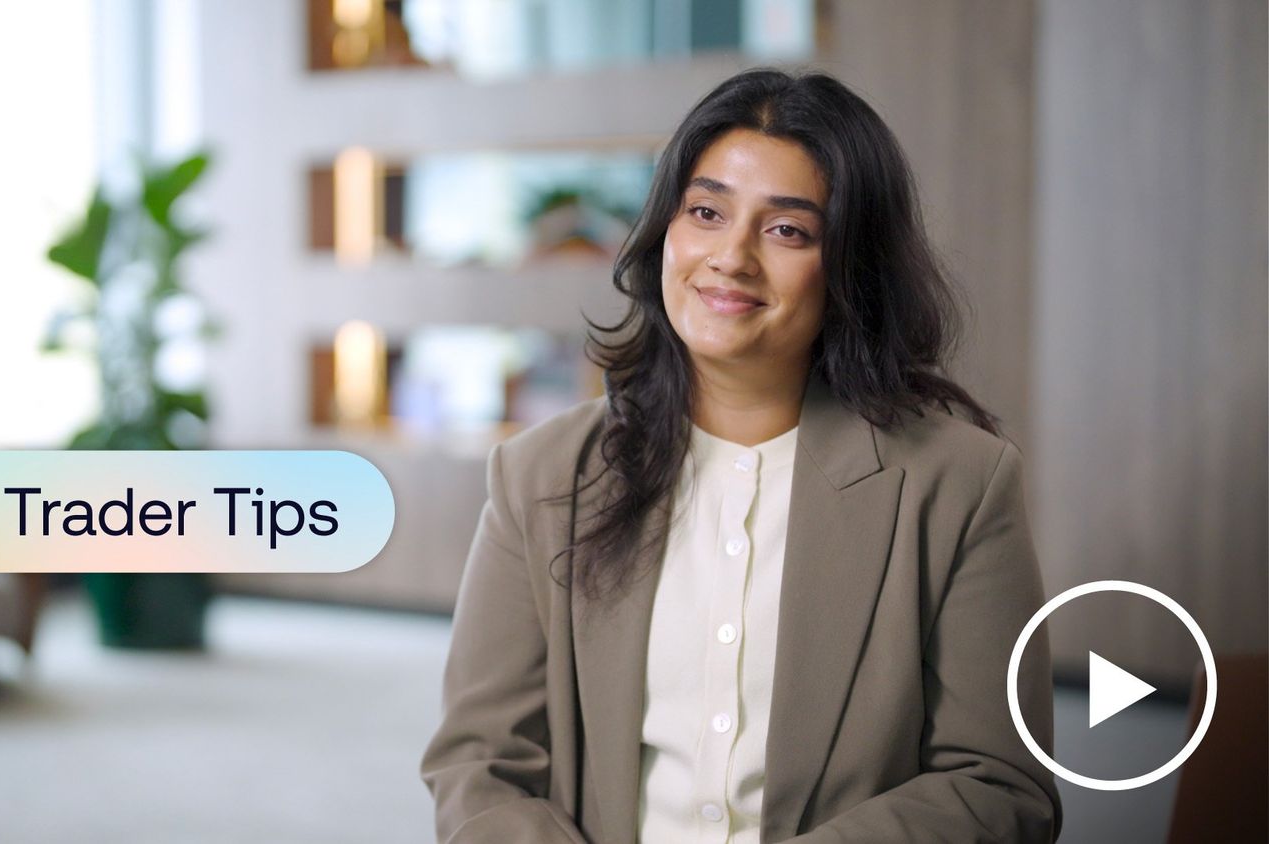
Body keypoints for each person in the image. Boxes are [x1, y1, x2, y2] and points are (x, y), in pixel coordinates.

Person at [421, 68, 1061, 843]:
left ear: (850, 265)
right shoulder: (540, 475)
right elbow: (479, 765)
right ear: (665, 229)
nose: (731, 257)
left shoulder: (959, 484)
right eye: (705, 212)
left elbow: (998, 786)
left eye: (787, 229)